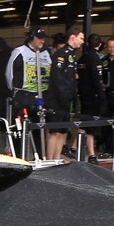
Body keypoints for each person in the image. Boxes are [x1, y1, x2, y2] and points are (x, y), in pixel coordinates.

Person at [42, 28, 82, 160]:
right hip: (56, 99)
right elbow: (57, 78)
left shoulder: (72, 55)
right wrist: (63, 95)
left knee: (62, 132)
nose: (82, 42)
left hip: (66, 99)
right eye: (80, 38)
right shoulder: (61, 54)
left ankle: (57, 159)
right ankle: (50, 160)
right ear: (72, 37)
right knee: (54, 131)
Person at [76, 32, 105, 161]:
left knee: (84, 123)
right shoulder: (95, 58)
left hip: (83, 95)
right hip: (93, 96)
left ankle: (74, 147)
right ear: (99, 44)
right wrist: (102, 96)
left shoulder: (81, 59)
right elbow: (97, 79)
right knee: (91, 126)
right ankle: (92, 154)